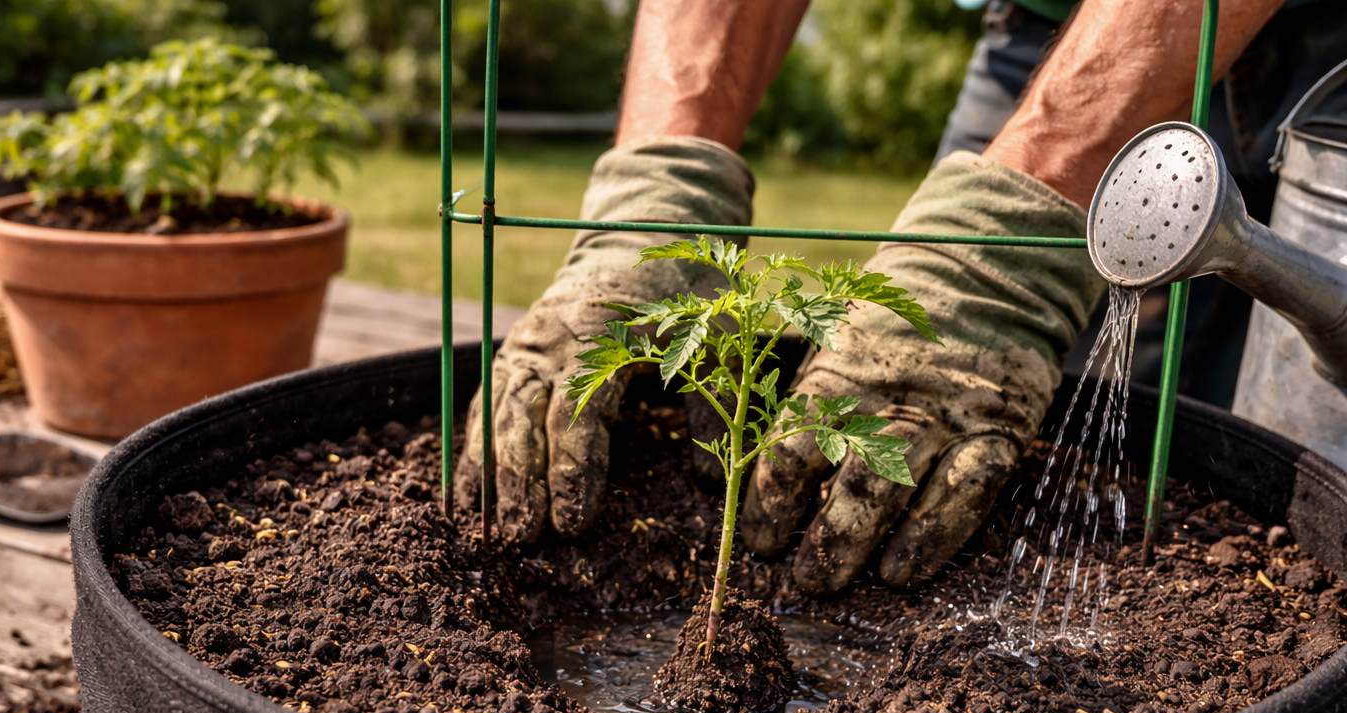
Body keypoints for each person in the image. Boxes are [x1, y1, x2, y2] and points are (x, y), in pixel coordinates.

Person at [455, 0, 1347, 595]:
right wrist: (661, 189)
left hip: (1328, 77)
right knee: (962, 430)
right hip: (1055, 31)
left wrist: (1001, 240)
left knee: (1289, 496)